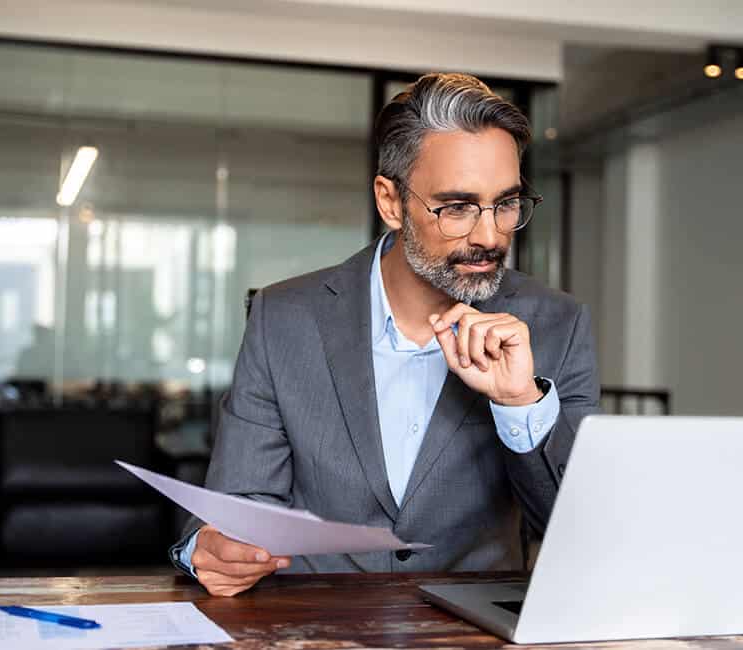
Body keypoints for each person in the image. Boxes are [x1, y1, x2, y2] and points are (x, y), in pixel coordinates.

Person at [169, 72, 599, 596]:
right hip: (310, 628)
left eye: (505, 204)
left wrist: (519, 403)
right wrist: (209, 547)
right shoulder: (283, 316)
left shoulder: (556, 322)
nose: (489, 235)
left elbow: (582, 534)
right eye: (457, 207)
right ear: (391, 202)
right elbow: (236, 507)